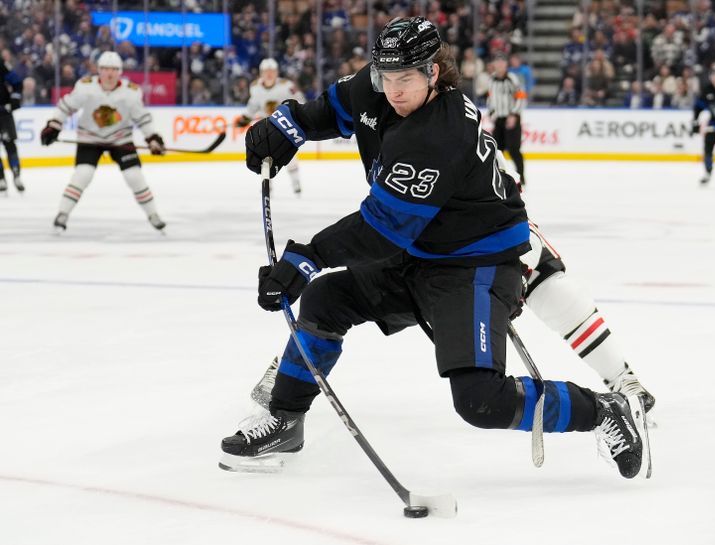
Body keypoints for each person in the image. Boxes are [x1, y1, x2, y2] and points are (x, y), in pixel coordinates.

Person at [220, 17, 650, 480]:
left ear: (434, 72)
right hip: (421, 250)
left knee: (481, 401)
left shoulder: (438, 132)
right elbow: (334, 108)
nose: (394, 91)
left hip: (475, 264)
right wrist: (290, 124)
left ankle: (604, 410)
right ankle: (285, 418)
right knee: (326, 300)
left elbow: (380, 231)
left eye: (405, 79)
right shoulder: (379, 84)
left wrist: (308, 257)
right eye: (386, 78)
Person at [39, 51, 167, 231]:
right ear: (98, 70)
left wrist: (152, 138)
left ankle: (153, 215)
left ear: (120, 71)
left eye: (114, 69)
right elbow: (66, 106)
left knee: (134, 176)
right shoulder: (85, 87)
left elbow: (142, 118)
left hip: (120, 138)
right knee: (83, 174)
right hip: (90, 138)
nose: (109, 74)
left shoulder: (131, 92)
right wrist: (54, 125)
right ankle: (62, 214)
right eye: (105, 69)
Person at [235, 58, 305, 195]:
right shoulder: (255, 88)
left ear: (277, 72)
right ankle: (267, 186)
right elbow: (253, 105)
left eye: (272, 71)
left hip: (284, 127)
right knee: (264, 157)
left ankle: (296, 183)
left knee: (289, 156)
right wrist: (245, 118)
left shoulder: (287, 86)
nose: (269, 74)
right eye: (266, 71)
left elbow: (300, 101)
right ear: (261, 73)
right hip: (266, 128)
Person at [486, 52, 527, 185]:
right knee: (497, 150)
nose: (500, 65)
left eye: (502, 62)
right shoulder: (491, 79)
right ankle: (498, 176)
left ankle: (521, 177)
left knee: (514, 149)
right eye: (497, 62)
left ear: (506, 65)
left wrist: (514, 115)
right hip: (499, 119)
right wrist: (492, 113)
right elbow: (491, 98)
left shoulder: (512, 78)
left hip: (512, 118)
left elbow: (521, 97)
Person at [0, 59, 24, 194]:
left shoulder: (0, 63)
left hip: (3, 113)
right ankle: (1, 179)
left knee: (10, 145)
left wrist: (14, 99)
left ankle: (16, 175)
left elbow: (16, 82)